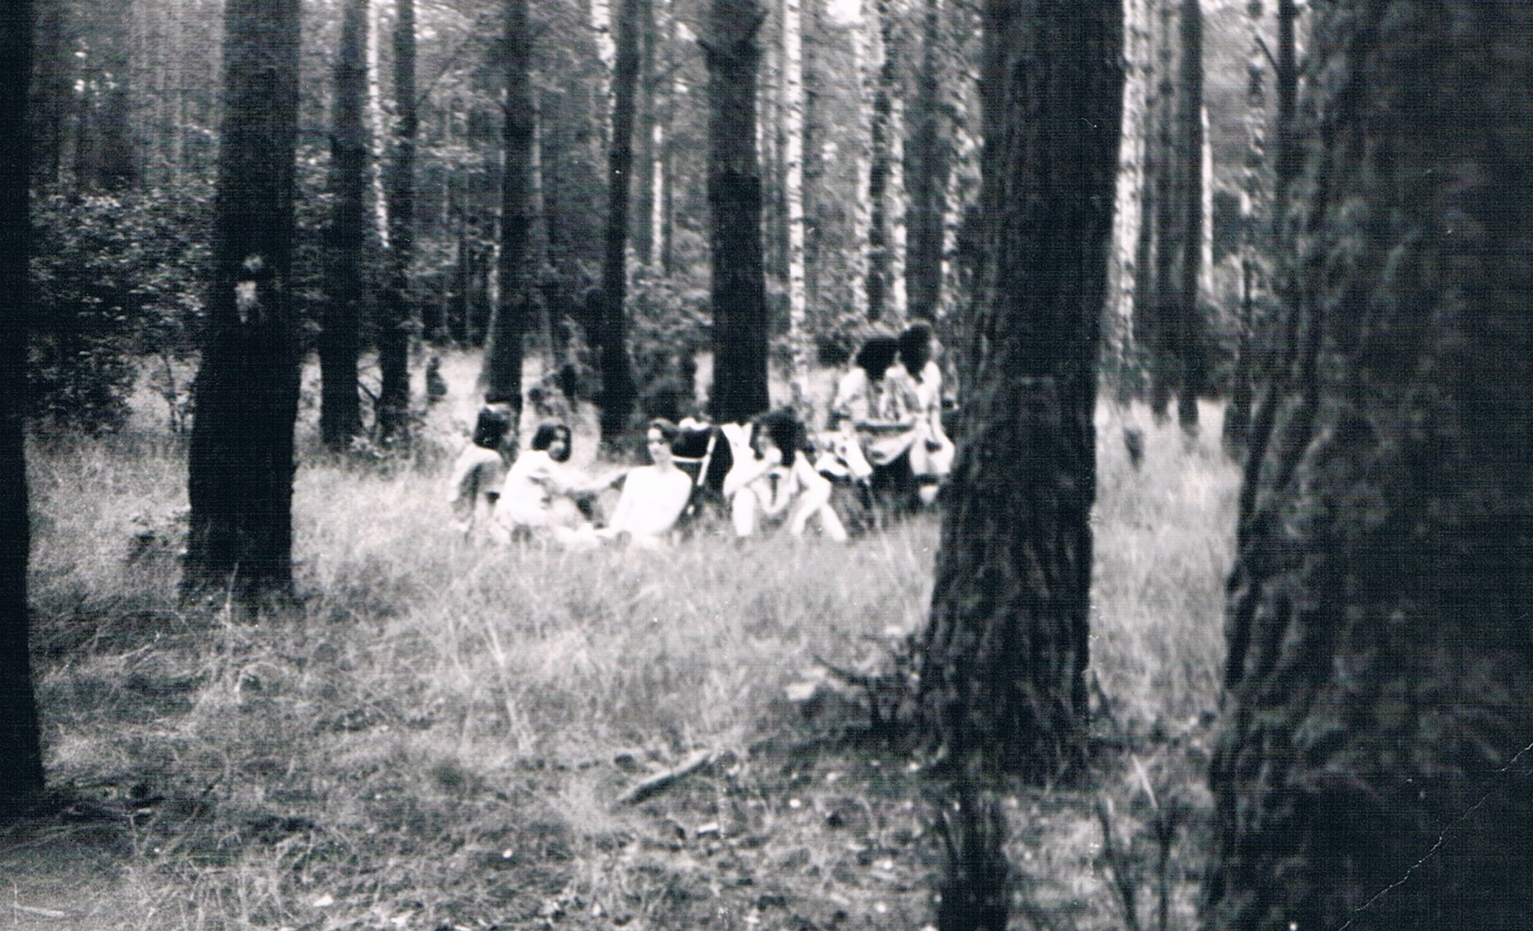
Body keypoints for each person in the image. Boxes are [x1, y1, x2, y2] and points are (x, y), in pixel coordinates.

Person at [724, 409, 848, 541]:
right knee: (744, 494)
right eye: (759, 435)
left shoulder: (795, 460)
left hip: (785, 521)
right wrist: (766, 464)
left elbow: (822, 487)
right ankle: (744, 540)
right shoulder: (748, 458)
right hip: (758, 521)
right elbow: (728, 488)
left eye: (767, 436)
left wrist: (801, 517)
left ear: (780, 438)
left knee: (819, 505)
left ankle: (840, 543)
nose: (761, 440)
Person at [492, 421, 619, 543]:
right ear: (543, 439)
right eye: (554, 440)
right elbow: (575, 492)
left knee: (578, 481)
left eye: (563, 441)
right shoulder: (540, 458)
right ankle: (600, 531)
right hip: (523, 518)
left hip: (513, 519)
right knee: (587, 542)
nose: (560, 446)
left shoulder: (529, 457)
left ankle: (598, 529)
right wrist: (610, 482)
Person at [596, 419, 696, 548]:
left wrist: (631, 534)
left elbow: (667, 521)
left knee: (647, 544)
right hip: (624, 534)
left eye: (661, 442)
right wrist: (615, 532)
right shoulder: (637, 474)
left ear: (671, 443)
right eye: (651, 442)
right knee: (588, 538)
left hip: (652, 540)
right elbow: (622, 511)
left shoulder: (682, 480)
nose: (655, 448)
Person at [894, 321, 956, 505]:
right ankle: (926, 487)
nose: (936, 346)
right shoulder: (896, 376)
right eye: (932, 341)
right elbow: (895, 412)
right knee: (921, 443)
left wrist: (935, 431)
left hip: (928, 428)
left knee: (940, 447)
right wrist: (917, 424)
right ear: (921, 348)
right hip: (901, 428)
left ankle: (938, 488)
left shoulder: (933, 371)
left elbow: (934, 407)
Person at [446, 406, 511, 537]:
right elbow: (490, 497)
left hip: (458, 513)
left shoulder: (471, 451)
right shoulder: (491, 457)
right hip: (475, 520)